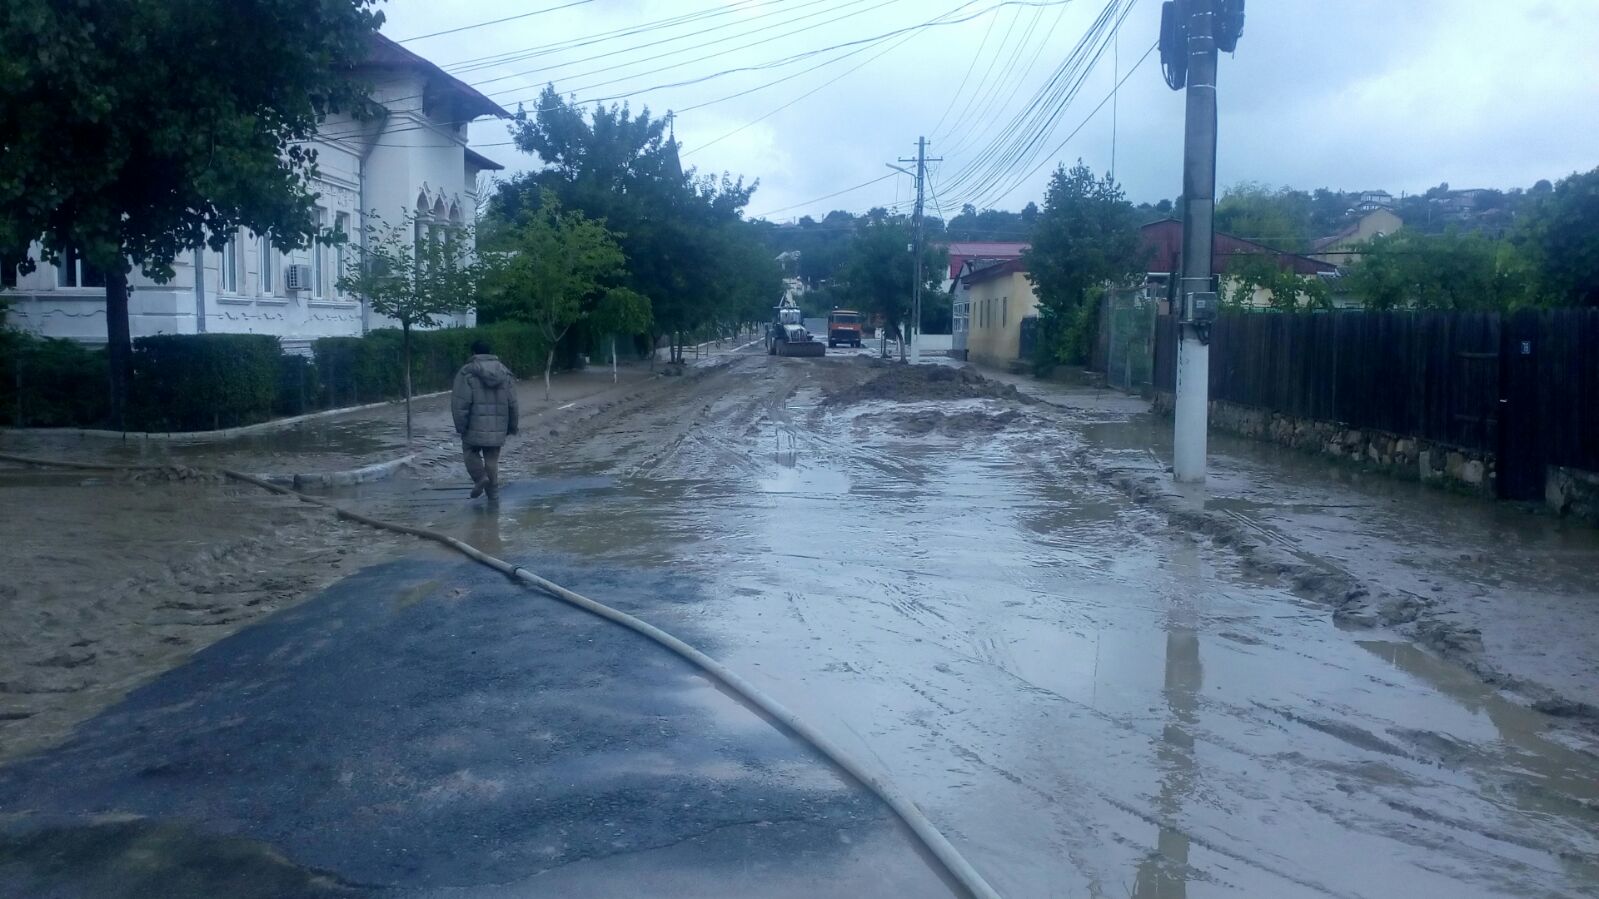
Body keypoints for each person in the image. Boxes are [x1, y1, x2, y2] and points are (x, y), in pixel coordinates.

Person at [451, 339, 518, 500]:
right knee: (492, 460)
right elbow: (513, 403)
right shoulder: (504, 372)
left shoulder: (466, 373)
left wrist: (461, 426)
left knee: (469, 451)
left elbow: (460, 403)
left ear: (474, 353)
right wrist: (512, 426)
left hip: (473, 427)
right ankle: (493, 495)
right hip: (498, 427)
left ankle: (480, 478)